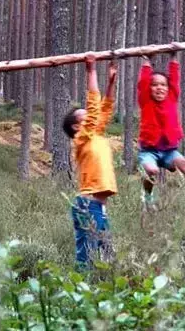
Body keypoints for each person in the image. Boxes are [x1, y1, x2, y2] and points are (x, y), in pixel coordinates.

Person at [137, 53, 185, 209]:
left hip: (169, 152)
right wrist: (146, 60)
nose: (159, 88)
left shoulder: (171, 98)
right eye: (155, 85)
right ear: (149, 88)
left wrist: (173, 56)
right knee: (151, 170)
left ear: (168, 88)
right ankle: (147, 196)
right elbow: (143, 82)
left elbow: (175, 79)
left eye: (163, 85)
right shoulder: (145, 100)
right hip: (149, 151)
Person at [62, 56, 117, 270]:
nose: (90, 118)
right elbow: (94, 108)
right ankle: (77, 299)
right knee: (87, 258)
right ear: (77, 127)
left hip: (99, 208)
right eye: (84, 117)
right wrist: (91, 70)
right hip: (87, 206)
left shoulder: (94, 135)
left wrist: (111, 83)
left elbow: (104, 110)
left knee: (109, 257)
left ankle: (101, 298)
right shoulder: (81, 139)